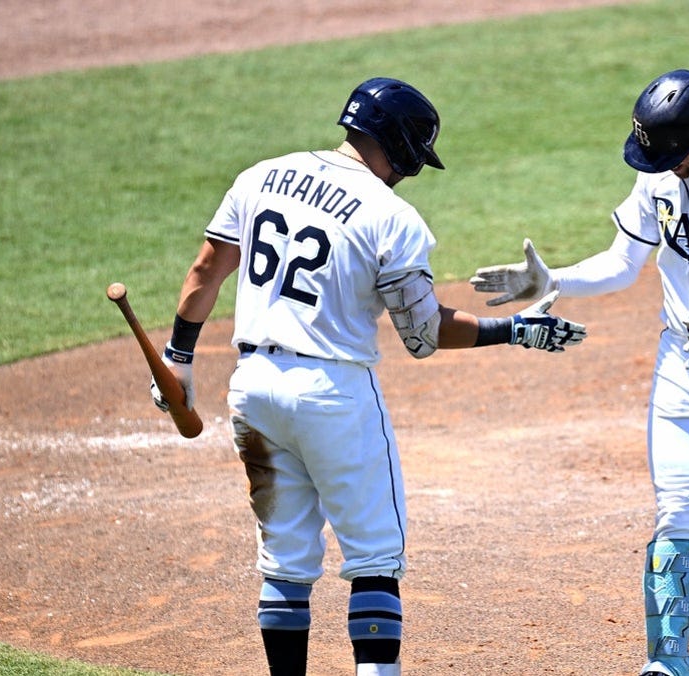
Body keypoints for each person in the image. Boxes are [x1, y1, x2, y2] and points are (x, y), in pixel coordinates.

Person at [149, 76, 586, 676]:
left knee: (285, 562)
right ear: (400, 146)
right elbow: (422, 334)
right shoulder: (391, 215)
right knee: (375, 559)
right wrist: (513, 330)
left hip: (253, 387)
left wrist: (178, 356)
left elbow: (206, 270)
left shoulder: (260, 177)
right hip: (333, 396)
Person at [470, 69, 689, 676]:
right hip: (682, 368)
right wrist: (554, 280)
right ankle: (668, 663)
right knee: (677, 514)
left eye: (673, 154)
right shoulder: (661, 171)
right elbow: (622, 262)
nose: (664, 167)